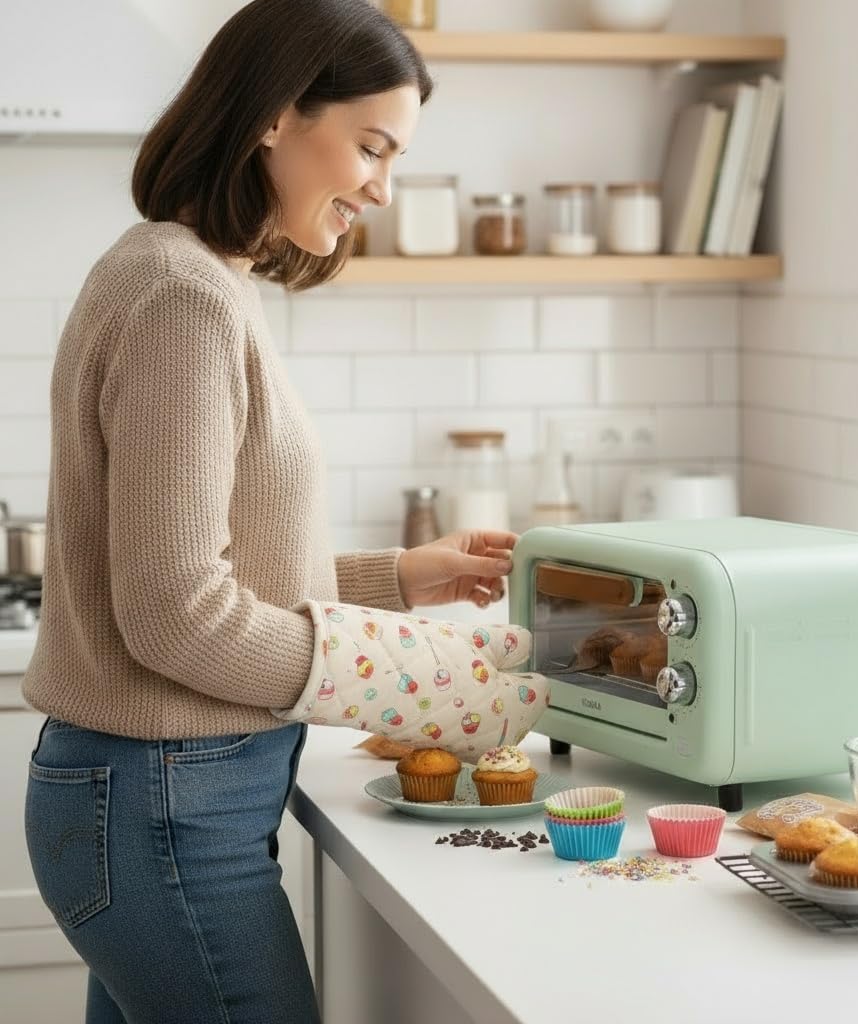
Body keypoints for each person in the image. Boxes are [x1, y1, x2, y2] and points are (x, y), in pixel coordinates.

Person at [20, 2, 539, 1021]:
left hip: (162, 798)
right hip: (165, 801)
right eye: (370, 147)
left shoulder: (198, 275)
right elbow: (174, 613)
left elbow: (220, 565)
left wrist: (397, 579)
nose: (381, 188)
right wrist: (420, 681)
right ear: (275, 115)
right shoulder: (182, 295)